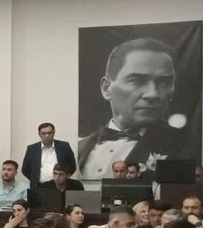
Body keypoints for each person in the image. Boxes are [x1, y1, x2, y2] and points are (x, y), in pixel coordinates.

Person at [77, 37, 194, 179]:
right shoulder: (79, 148)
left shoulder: (187, 147)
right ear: (106, 88)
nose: (153, 94)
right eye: (137, 81)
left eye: (164, 82)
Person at [20, 122, 77, 188]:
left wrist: (63, 179)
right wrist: (35, 179)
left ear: (54, 133)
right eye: (43, 133)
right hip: (39, 186)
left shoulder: (64, 146)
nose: (47, 135)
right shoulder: (32, 149)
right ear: (39, 134)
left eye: (49, 133)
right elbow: (25, 169)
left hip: (60, 186)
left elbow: (72, 166)